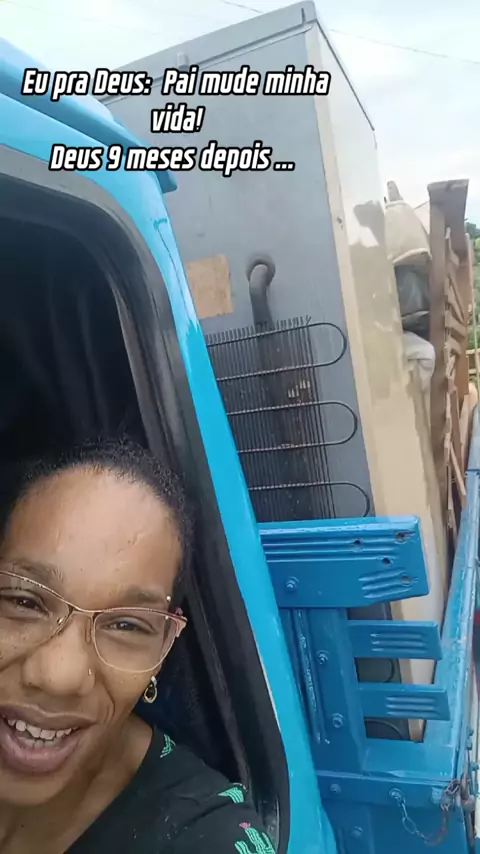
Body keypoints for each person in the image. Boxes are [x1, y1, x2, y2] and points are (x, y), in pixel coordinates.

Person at [0, 439, 276, 854]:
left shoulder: (201, 834)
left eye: (126, 625)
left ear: (164, 647)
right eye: (25, 602)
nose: (60, 676)